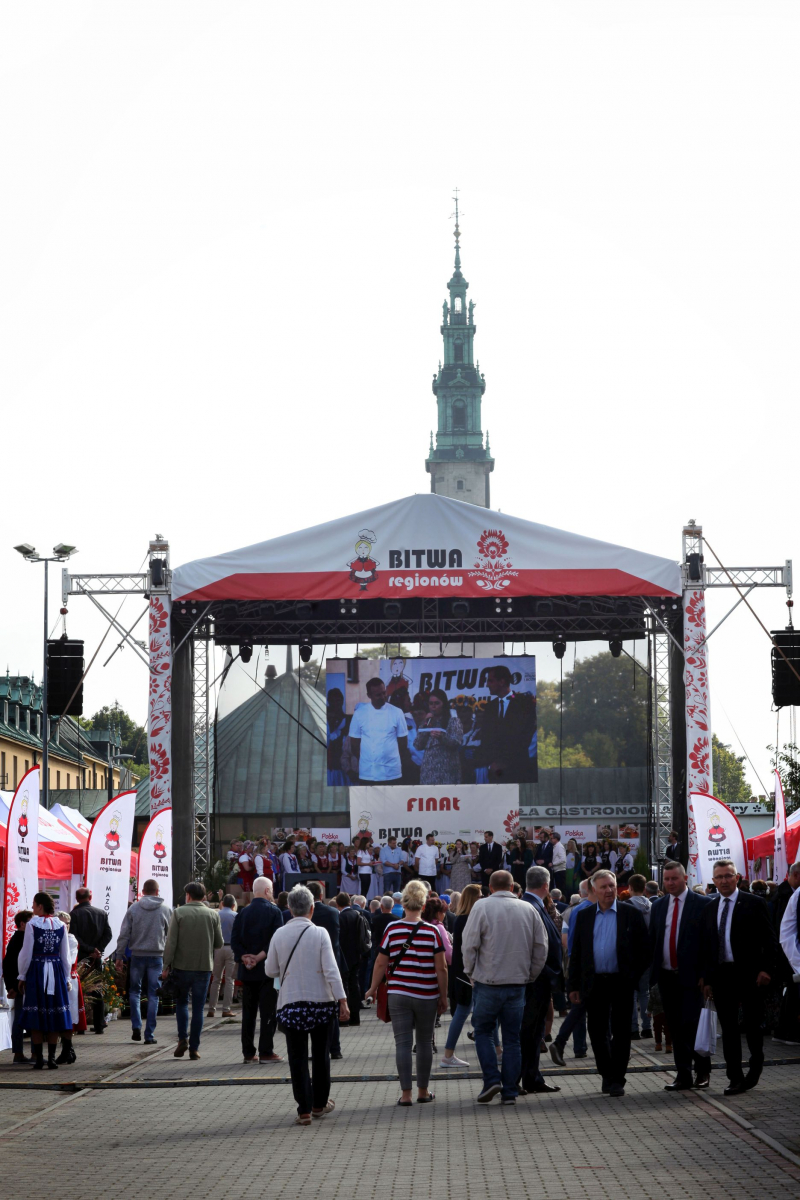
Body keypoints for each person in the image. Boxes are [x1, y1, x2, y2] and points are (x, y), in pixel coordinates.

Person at [461, 870, 547, 1105]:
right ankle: (509, 1091)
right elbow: (541, 946)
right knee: (512, 1039)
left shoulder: (481, 907)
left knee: (483, 1031)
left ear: (490, 887)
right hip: (517, 983)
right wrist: (530, 975)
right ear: (512, 887)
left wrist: (470, 972)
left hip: (487, 982)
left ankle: (491, 1080)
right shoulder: (528, 908)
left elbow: (469, 944)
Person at [265, 885, 349, 1125]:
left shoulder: (279, 934)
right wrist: (342, 1000)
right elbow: (331, 970)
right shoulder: (320, 933)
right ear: (312, 908)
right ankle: (319, 1104)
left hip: (291, 1003)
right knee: (321, 1055)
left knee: (297, 1057)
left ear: (290, 909)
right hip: (321, 1002)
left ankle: (303, 1110)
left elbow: (270, 970)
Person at [567, 869, 650, 1097]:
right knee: (597, 1031)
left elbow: (645, 950)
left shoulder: (630, 914)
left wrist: (632, 977)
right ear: (594, 890)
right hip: (595, 983)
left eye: (612, 885)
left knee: (622, 1032)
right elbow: (577, 953)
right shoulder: (584, 915)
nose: (609, 890)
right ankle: (606, 1073)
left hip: (621, 982)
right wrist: (573, 985)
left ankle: (618, 1079)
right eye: (603, 887)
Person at [700, 858, 779, 1095]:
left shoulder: (754, 903)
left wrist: (767, 970)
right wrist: (707, 979)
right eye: (719, 877)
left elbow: (770, 940)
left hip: (750, 975)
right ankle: (734, 1077)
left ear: (737, 878)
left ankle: (755, 1068)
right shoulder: (710, 907)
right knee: (729, 1029)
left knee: (753, 1026)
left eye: (728, 876)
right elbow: (707, 946)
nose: (724, 880)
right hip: (722, 976)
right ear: (713, 881)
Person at [365, 880, 448, 1105]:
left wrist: (372, 988)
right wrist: (443, 996)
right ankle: (423, 1091)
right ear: (423, 904)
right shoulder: (433, 931)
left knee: (402, 1043)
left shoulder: (393, 929)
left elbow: (380, 963)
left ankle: (406, 1095)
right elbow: (441, 967)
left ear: (403, 903)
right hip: (426, 994)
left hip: (399, 993)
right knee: (424, 1043)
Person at [648, 860, 712, 1090]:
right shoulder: (658, 905)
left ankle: (702, 1071)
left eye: (674, 878)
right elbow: (654, 939)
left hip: (693, 978)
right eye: (666, 879)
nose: (670, 883)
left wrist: (706, 975)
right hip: (667, 977)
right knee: (675, 1026)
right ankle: (683, 1074)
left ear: (685, 878)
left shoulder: (702, 904)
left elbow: (709, 943)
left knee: (693, 1025)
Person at [162, 881, 224, 1061]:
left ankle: (183, 1039)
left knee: (181, 1003)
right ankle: (194, 1048)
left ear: (188, 895)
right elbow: (219, 943)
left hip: (181, 967)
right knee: (198, 1008)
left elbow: (171, 942)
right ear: (204, 896)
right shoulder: (213, 914)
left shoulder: (179, 913)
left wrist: (166, 966)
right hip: (204, 967)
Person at [230, 875, 284, 1064]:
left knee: (248, 1013)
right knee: (268, 1012)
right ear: (267, 891)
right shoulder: (275, 912)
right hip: (268, 971)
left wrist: (245, 957)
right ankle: (266, 1051)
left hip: (247, 970)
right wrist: (260, 956)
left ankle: (248, 1053)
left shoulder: (242, 912)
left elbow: (234, 940)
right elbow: (277, 940)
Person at [16, 892, 73, 1070]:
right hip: (56, 970)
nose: (32, 907)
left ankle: (40, 1058)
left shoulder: (32, 924)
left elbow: (26, 953)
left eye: (34, 904)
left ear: (40, 906)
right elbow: (65, 955)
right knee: (55, 1013)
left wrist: (22, 975)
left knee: (36, 1014)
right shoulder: (61, 925)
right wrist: (66, 977)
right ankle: (52, 1058)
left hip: (37, 970)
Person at [519, 866, 563, 1095]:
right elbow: (532, 947)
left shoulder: (534, 905)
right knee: (528, 1032)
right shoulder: (530, 907)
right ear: (546, 886)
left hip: (539, 979)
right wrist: (546, 973)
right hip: (535, 981)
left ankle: (532, 1078)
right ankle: (519, 1079)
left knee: (535, 1032)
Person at [114, 878, 172, 1045]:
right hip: (157, 956)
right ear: (157, 892)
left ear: (143, 892)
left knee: (134, 992)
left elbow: (124, 934)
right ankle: (149, 1034)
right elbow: (171, 937)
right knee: (154, 994)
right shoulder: (166, 910)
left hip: (137, 956)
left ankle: (136, 1026)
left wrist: (119, 956)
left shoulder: (133, 908)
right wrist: (170, 961)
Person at [441, 883, 484, 1067]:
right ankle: (448, 1055)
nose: (482, 898)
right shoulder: (467, 919)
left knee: (477, 1013)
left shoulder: (462, 918)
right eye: (479, 896)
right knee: (463, 1013)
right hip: (467, 974)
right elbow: (468, 949)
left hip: (464, 972)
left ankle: (497, 1051)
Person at [472, 664, 537, 783]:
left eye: (490, 681)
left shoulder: (524, 703)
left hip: (519, 770)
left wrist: (505, 762)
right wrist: (490, 763)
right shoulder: (490, 707)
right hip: (495, 773)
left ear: (502, 682)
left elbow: (525, 737)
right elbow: (487, 739)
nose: (487, 685)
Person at [349, 677, 410, 784]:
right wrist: (369, 760)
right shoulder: (359, 714)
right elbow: (354, 745)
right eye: (378, 695)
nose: (383, 697)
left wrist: (389, 759)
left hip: (392, 772)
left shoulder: (397, 712)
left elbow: (403, 744)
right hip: (368, 773)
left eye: (384, 693)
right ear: (369, 695)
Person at [70, 886, 112, 1034]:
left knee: (79, 991)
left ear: (76, 898)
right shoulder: (101, 913)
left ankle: (80, 1026)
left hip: (80, 957)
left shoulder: (74, 914)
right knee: (97, 990)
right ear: (90, 897)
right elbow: (108, 935)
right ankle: (99, 1025)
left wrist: (90, 950)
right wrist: (97, 950)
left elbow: (74, 937)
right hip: (96, 958)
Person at [414, 688, 463, 785]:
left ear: (443, 704)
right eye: (431, 703)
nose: (433, 706)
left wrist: (442, 737)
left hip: (447, 772)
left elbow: (457, 742)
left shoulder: (453, 720)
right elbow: (417, 745)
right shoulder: (426, 721)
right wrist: (425, 726)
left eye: (437, 703)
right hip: (428, 773)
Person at [335, 892, 370, 1025]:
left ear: (337, 904)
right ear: (349, 902)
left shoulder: (340, 917)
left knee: (344, 985)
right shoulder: (358, 915)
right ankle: (355, 1018)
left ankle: (345, 1017)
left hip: (344, 956)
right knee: (355, 984)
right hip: (357, 955)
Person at [3, 909, 33, 1064]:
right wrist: (13, 987)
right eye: (30, 921)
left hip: (20, 985)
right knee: (24, 1018)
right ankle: (22, 1053)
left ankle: (20, 1053)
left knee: (21, 1018)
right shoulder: (20, 940)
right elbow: (10, 965)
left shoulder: (19, 939)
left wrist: (11, 986)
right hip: (23, 985)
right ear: (22, 924)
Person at [626, 874, 653, 1042]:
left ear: (629, 888)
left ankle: (633, 1029)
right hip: (648, 955)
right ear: (644, 888)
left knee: (631, 994)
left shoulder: (627, 906)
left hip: (632, 957)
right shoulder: (652, 906)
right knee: (645, 993)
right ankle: (647, 1028)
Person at [206, 894, 237, 1018]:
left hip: (217, 948)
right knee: (229, 979)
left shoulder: (216, 914)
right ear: (233, 905)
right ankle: (226, 1009)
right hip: (231, 948)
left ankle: (211, 1009)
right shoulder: (236, 916)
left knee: (216, 979)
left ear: (222, 903)